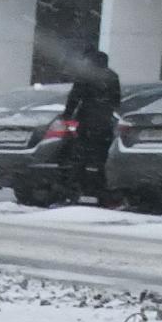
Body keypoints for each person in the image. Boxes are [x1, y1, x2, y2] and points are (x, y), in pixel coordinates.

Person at [62, 43, 123, 204]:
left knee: (80, 157)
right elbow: (117, 99)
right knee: (100, 157)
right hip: (104, 123)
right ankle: (101, 190)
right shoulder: (112, 76)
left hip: (87, 121)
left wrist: (68, 115)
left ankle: (77, 190)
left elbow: (75, 97)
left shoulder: (86, 75)